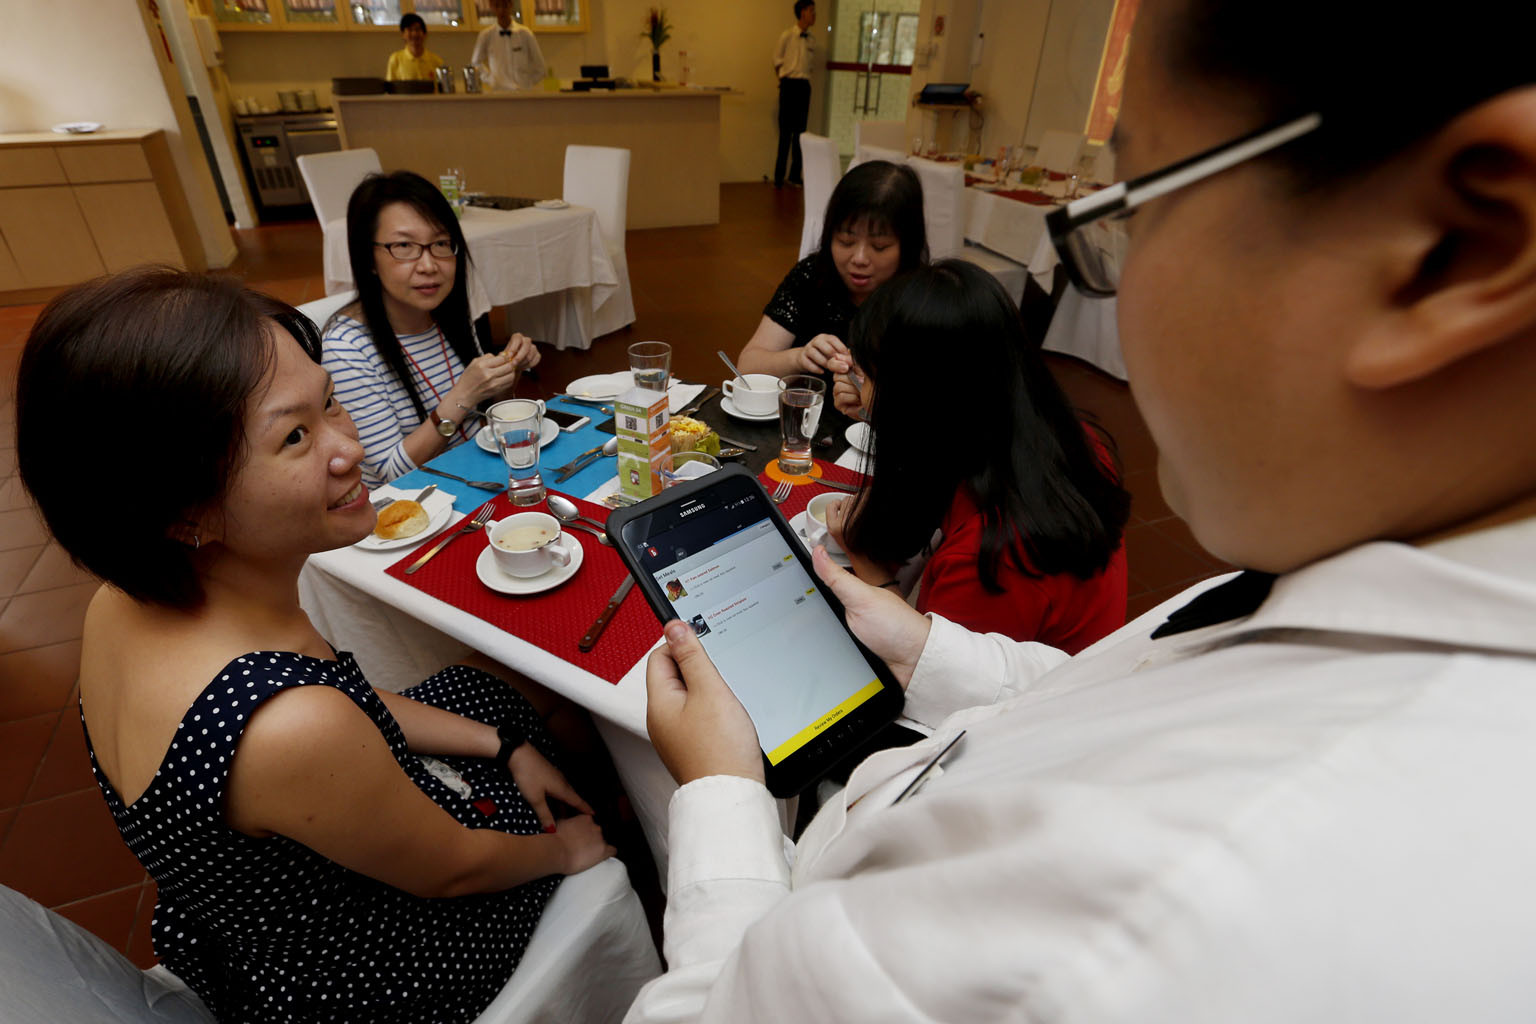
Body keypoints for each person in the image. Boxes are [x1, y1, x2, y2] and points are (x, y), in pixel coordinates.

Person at [627, 0, 1536, 1020]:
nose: (1122, 292)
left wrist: (719, 794)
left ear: (1458, 245)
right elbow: (1103, 688)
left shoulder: (1121, 922)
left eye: (1137, 205)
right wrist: (926, 643)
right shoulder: (1316, 568)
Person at [13, 269, 616, 1023]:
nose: (352, 450)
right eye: (294, 436)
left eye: (329, 401)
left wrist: (500, 743)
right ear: (179, 510)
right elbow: (452, 871)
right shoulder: (285, 723)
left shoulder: (121, 603)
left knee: (493, 685)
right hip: (373, 965)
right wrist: (566, 852)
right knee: (585, 777)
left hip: (245, 916)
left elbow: (348, 708)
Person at [824, 260, 1130, 651]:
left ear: (919, 400)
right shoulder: (1067, 441)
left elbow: (931, 672)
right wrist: (881, 411)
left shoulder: (991, 559)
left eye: (863, 376)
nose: (856, 386)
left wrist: (868, 569)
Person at [322, 170, 539, 488]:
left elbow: (482, 421)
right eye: (404, 246)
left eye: (440, 243)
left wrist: (507, 376)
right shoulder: (346, 350)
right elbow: (391, 473)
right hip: (411, 507)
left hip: (477, 480)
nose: (428, 265)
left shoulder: (447, 314)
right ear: (369, 258)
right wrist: (464, 394)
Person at [737, 159, 925, 379]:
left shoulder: (924, 298)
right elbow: (747, 366)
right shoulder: (812, 276)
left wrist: (871, 396)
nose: (860, 258)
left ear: (908, 245)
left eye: (879, 246)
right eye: (846, 241)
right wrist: (799, 357)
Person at [772, 0, 817, 187]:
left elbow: (810, 65)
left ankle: (794, 175)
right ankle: (778, 177)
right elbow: (776, 61)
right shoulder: (786, 36)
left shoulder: (812, 39)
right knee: (785, 133)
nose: (814, 15)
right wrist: (783, 80)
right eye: (811, 11)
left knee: (800, 133)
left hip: (803, 86)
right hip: (789, 85)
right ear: (802, 12)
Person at [472, 0, 548, 92]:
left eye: (504, 5)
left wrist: (527, 83)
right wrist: (490, 80)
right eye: (497, 6)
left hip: (523, 93)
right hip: (499, 93)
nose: (501, 10)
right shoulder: (486, 35)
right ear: (491, 7)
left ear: (511, 5)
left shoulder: (525, 33)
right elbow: (475, 63)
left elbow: (540, 67)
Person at [385, 13, 446, 82]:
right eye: (410, 30)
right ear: (403, 34)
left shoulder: (437, 61)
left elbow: (442, 90)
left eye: (417, 29)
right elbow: (390, 89)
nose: (414, 34)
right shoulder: (395, 59)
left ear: (424, 33)